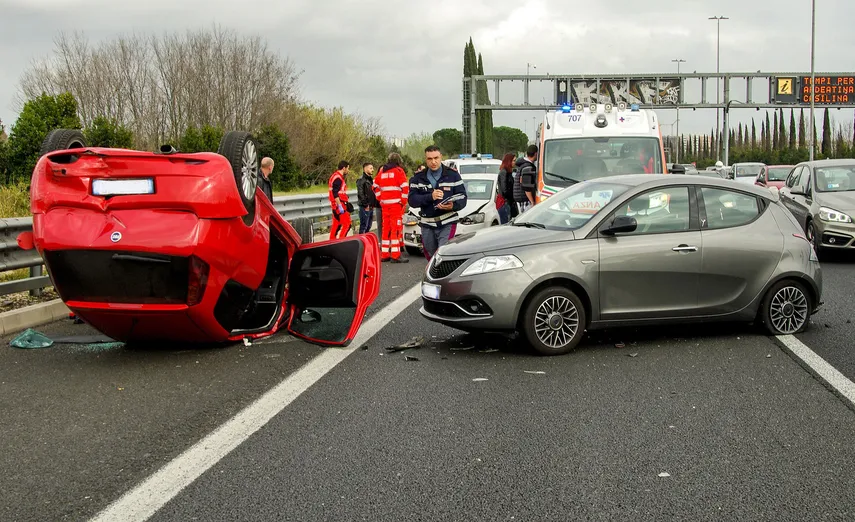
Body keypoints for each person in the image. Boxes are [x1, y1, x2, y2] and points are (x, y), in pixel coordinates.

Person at [408, 145, 467, 260]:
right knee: (431, 257)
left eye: (436, 158)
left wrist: (453, 206)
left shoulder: (453, 175)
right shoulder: (418, 178)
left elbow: (463, 198)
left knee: (444, 253)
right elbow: (412, 201)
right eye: (430, 159)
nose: (433, 162)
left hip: (448, 221)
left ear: (441, 157)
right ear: (426, 159)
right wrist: (431, 196)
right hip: (427, 223)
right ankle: (433, 277)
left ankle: (445, 277)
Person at [372, 153, 409, 263]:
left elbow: (374, 186)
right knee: (396, 230)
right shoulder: (398, 171)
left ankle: (384, 254)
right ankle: (396, 255)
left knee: (386, 230)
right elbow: (405, 188)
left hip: (385, 206)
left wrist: (380, 199)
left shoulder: (382, 171)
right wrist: (403, 202)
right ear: (398, 161)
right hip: (395, 206)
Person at [328, 160, 352, 240]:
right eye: (348, 168)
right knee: (347, 224)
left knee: (336, 225)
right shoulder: (338, 178)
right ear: (344, 168)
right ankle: (342, 242)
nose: (348, 170)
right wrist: (340, 206)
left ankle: (331, 242)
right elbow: (335, 193)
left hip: (335, 205)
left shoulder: (335, 176)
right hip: (339, 204)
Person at [513, 145, 538, 213]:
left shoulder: (523, 165)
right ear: (536, 154)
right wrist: (532, 201)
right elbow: (527, 187)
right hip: (524, 199)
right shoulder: (528, 167)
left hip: (520, 197)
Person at [356, 162, 377, 234]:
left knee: (368, 226)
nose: (372, 170)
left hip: (370, 206)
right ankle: (361, 243)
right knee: (363, 226)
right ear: (365, 169)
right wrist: (366, 205)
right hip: (365, 207)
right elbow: (360, 193)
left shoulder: (370, 179)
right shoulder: (361, 180)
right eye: (370, 168)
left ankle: (366, 242)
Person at [497, 152, 516, 222]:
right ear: (509, 161)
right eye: (513, 160)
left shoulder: (508, 172)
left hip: (508, 202)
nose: (515, 162)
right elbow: (504, 189)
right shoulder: (504, 172)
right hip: (504, 202)